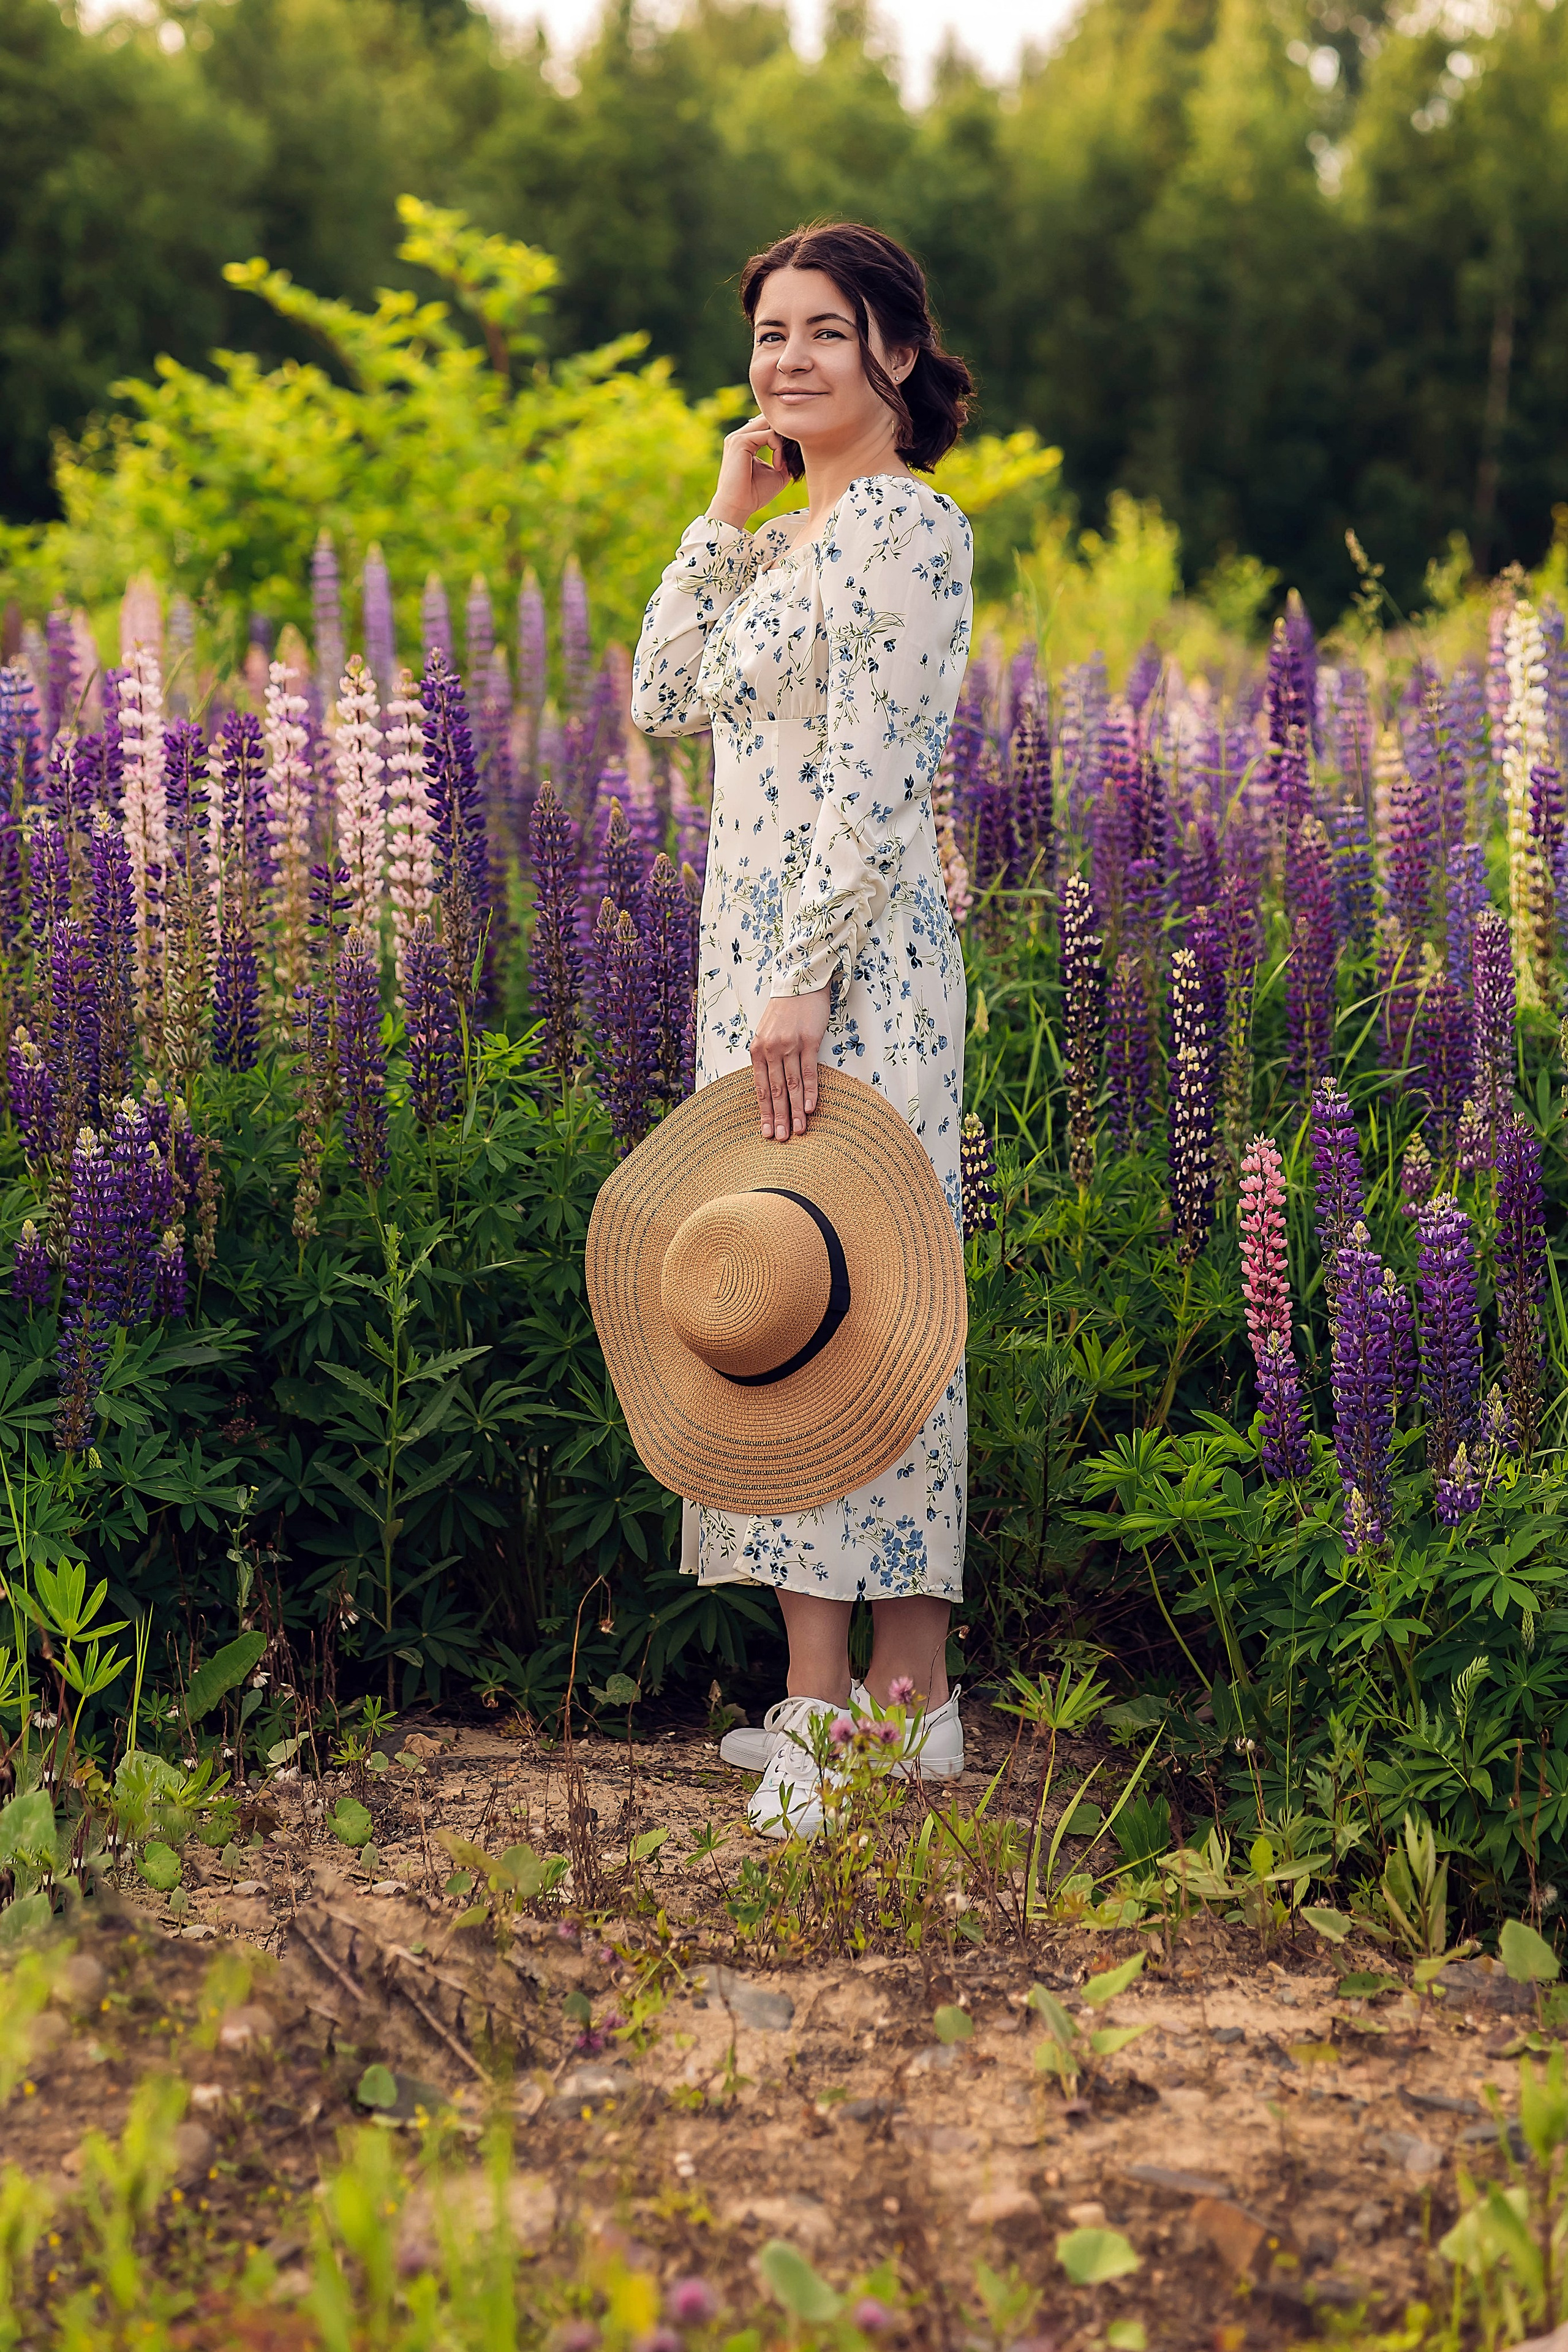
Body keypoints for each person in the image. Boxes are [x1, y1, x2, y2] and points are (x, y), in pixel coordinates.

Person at [630, 222, 974, 1836]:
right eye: (768, 333)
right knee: (779, 1312)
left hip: (853, 973)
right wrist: (723, 511)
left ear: (894, 352)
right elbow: (659, 696)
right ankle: (838, 1703)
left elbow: (877, 777)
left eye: (823, 331)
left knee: (873, 1313)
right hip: (755, 966)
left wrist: (806, 979)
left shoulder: (906, 530)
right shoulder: (788, 544)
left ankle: (886, 1715)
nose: (787, 360)